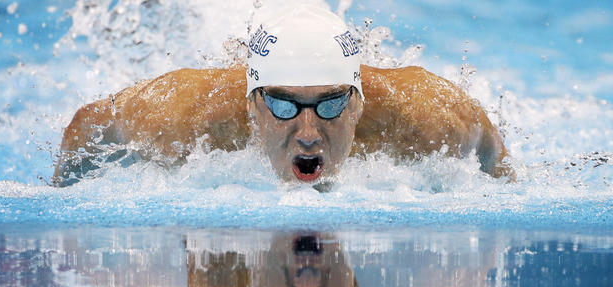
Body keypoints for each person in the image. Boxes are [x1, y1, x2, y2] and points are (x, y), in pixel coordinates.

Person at [53, 4, 512, 188]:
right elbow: (87, 126)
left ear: (357, 103)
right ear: (252, 104)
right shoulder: (189, 119)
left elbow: (492, 150)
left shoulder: (423, 119)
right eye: (283, 105)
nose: (308, 134)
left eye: (330, 104)